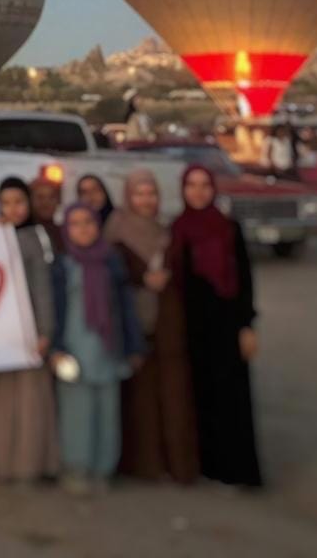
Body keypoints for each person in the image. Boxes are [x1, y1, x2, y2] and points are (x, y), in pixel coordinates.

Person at [170, 164, 262, 488]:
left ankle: (237, 470)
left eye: (204, 185)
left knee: (231, 397)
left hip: (226, 324)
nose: (197, 192)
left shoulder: (228, 229)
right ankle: (207, 465)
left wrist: (247, 326)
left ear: (213, 189)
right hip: (192, 327)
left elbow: (245, 280)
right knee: (200, 396)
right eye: (191, 185)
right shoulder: (177, 229)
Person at [105, 169, 198, 484]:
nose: (146, 200)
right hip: (132, 323)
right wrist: (140, 279)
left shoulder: (165, 232)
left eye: (151, 194)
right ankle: (143, 464)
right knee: (139, 397)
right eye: (139, 194)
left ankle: (174, 463)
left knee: (170, 393)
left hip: (165, 324)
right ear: (128, 197)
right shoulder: (116, 231)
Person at [51, 202, 144, 495]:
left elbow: (126, 306)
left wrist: (134, 345)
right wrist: (54, 348)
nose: (83, 229)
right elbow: (54, 310)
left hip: (108, 348)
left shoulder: (111, 261)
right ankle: (77, 468)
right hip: (74, 349)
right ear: (67, 229)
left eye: (88, 222)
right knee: (76, 412)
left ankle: (102, 469)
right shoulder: (62, 266)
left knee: (107, 411)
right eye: (75, 223)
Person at [0, 177, 58, 483]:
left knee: (27, 400)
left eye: (19, 202)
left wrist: (45, 331)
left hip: (27, 331)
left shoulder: (36, 237)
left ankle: (26, 464)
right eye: (6, 203)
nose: (13, 209)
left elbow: (43, 288)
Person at [31, 176, 66, 253]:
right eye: (40, 197)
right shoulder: (22, 232)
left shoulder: (66, 234)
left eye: (52, 197)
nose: (46, 202)